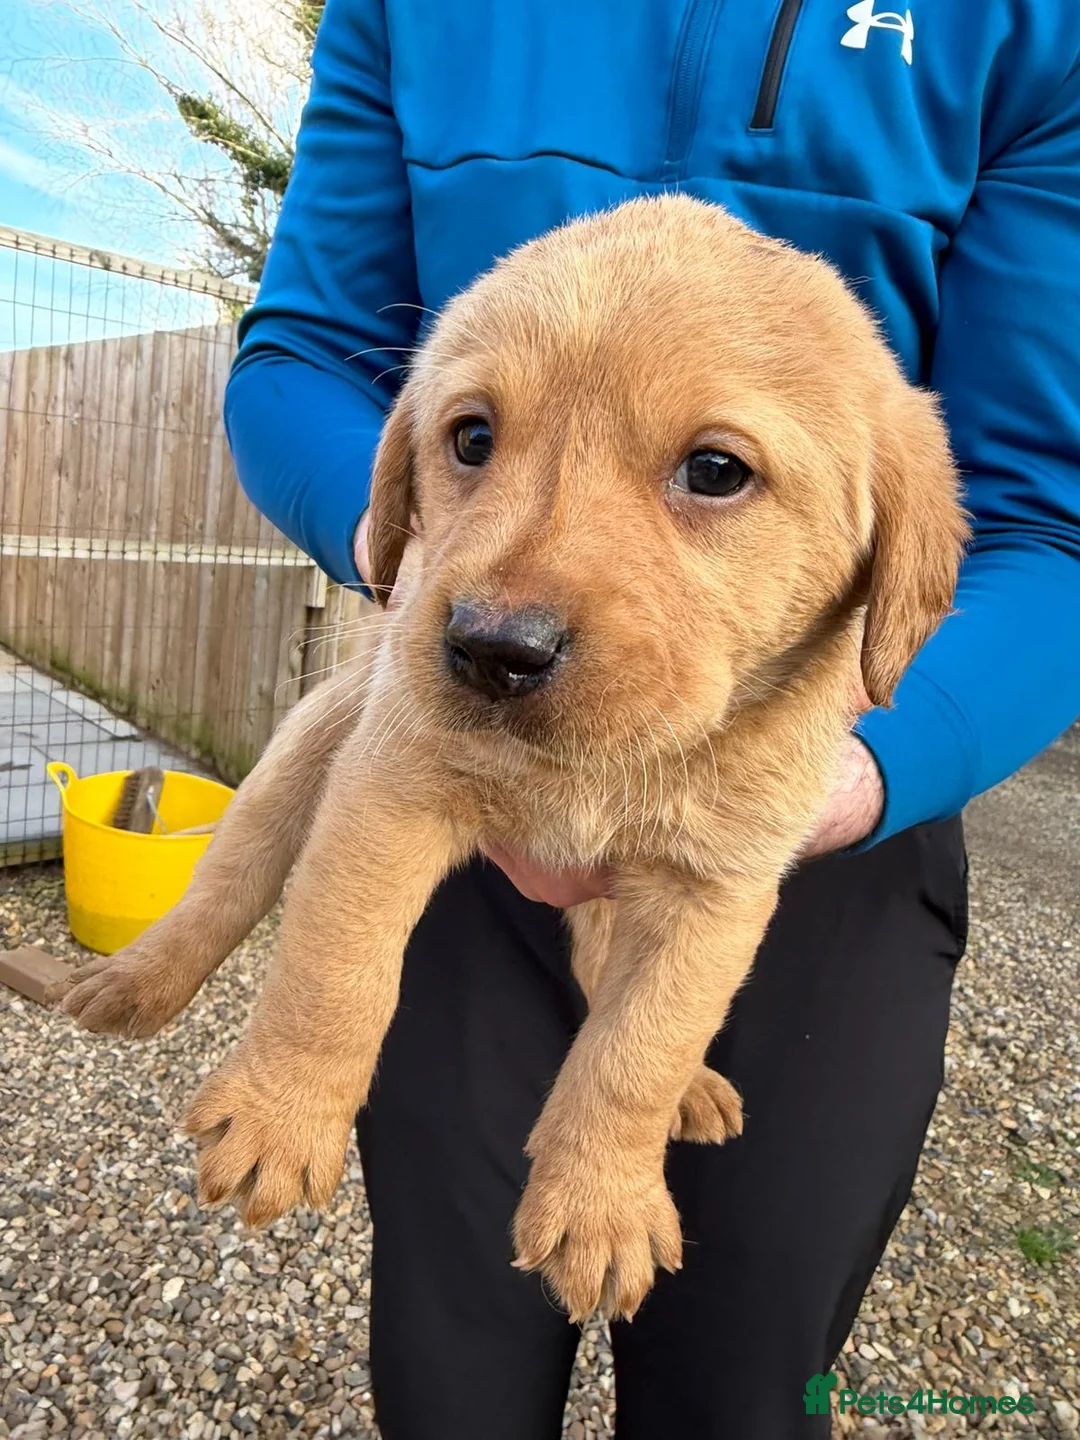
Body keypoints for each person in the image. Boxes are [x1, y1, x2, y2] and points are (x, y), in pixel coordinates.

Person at [224, 3, 1080, 1435]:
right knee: (448, 1370)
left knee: (743, 1384)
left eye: (713, 472)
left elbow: (1045, 518)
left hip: (815, 819)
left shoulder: (1027, 21)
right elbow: (304, 352)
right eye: (474, 441)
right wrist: (411, 556)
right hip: (454, 799)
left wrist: (858, 767)